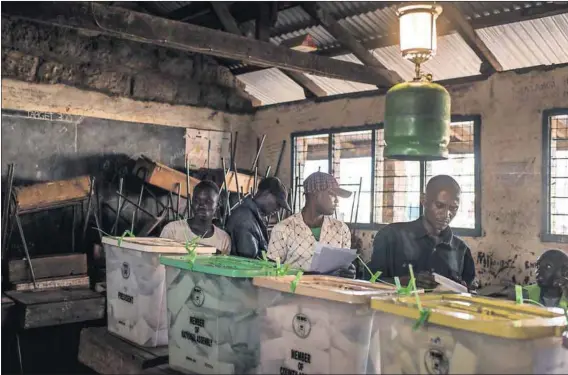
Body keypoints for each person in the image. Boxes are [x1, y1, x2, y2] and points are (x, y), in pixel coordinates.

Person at [367, 175, 476, 289]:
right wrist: (405, 281)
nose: (446, 214)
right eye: (439, 206)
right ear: (424, 200)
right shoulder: (390, 236)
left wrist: (463, 290)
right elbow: (369, 282)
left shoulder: (461, 251)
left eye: (453, 208)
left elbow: (471, 294)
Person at [267, 172, 355, 277]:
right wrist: (312, 275)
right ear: (315, 194)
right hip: (293, 292)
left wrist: (349, 273)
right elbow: (271, 272)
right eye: (332, 194)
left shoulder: (341, 229)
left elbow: (344, 269)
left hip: (331, 292)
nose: (337, 201)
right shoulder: (283, 229)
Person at [225, 177, 291, 259]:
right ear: (266, 193)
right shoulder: (245, 219)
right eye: (278, 203)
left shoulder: (253, 217)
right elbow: (248, 261)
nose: (278, 209)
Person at [160, 180, 230, 254]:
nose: (202, 205)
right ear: (191, 202)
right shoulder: (172, 230)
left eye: (208, 201)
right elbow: (158, 262)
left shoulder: (223, 239)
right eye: (197, 200)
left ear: (217, 205)